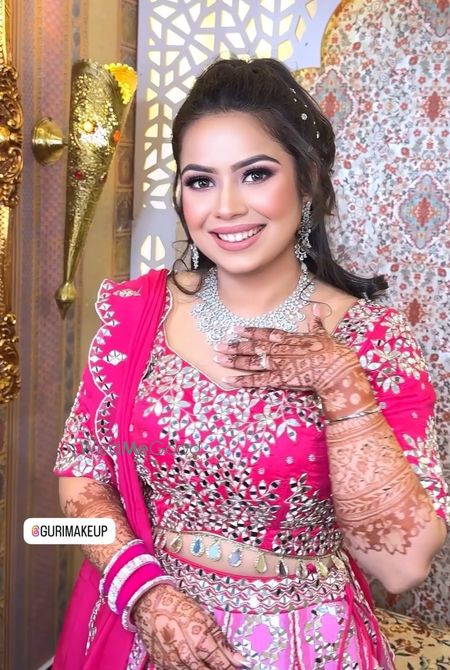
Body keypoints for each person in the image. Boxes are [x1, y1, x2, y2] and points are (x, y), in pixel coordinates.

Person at [52, 57, 449, 670]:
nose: (227, 207)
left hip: (308, 644)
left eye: (256, 173)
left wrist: (340, 385)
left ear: (307, 181)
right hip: (153, 635)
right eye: (200, 181)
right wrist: (145, 594)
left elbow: (403, 564)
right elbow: (78, 479)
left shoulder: (370, 341)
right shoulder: (136, 315)